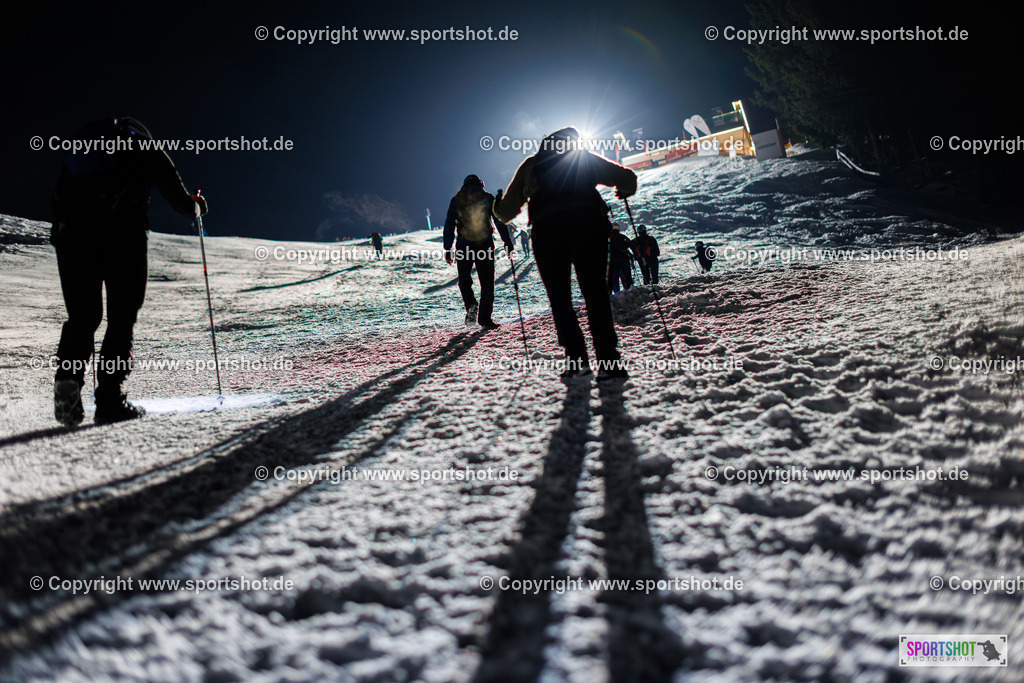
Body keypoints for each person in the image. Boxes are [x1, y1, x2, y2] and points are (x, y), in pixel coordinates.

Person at [51, 116, 207, 426]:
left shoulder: (85, 150)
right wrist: (198, 205)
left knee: (83, 318)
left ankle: (68, 379)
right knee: (121, 319)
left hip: (75, 239)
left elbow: (60, 198)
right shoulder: (147, 147)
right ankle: (110, 400)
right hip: (125, 237)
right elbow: (181, 203)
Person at [493, 127, 637, 380]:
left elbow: (505, 213)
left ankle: (576, 360)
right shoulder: (582, 158)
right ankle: (609, 361)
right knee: (596, 294)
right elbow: (626, 178)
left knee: (560, 299)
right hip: (588, 225)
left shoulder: (532, 165)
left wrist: (497, 203)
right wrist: (623, 191)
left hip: (548, 232)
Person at [443, 174, 513, 329]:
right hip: (484, 245)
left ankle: (471, 305)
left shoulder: (456, 199)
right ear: (480, 184)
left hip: (463, 246)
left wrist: (448, 249)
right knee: (487, 283)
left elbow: (449, 224)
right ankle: (485, 319)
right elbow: (499, 221)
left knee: (464, 281)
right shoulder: (488, 197)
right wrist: (507, 242)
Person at [608, 222, 635, 294]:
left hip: (612, 261)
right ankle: (629, 291)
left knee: (615, 278)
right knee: (627, 277)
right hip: (624, 259)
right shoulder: (623, 237)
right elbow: (631, 246)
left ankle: (617, 294)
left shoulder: (608, 239)